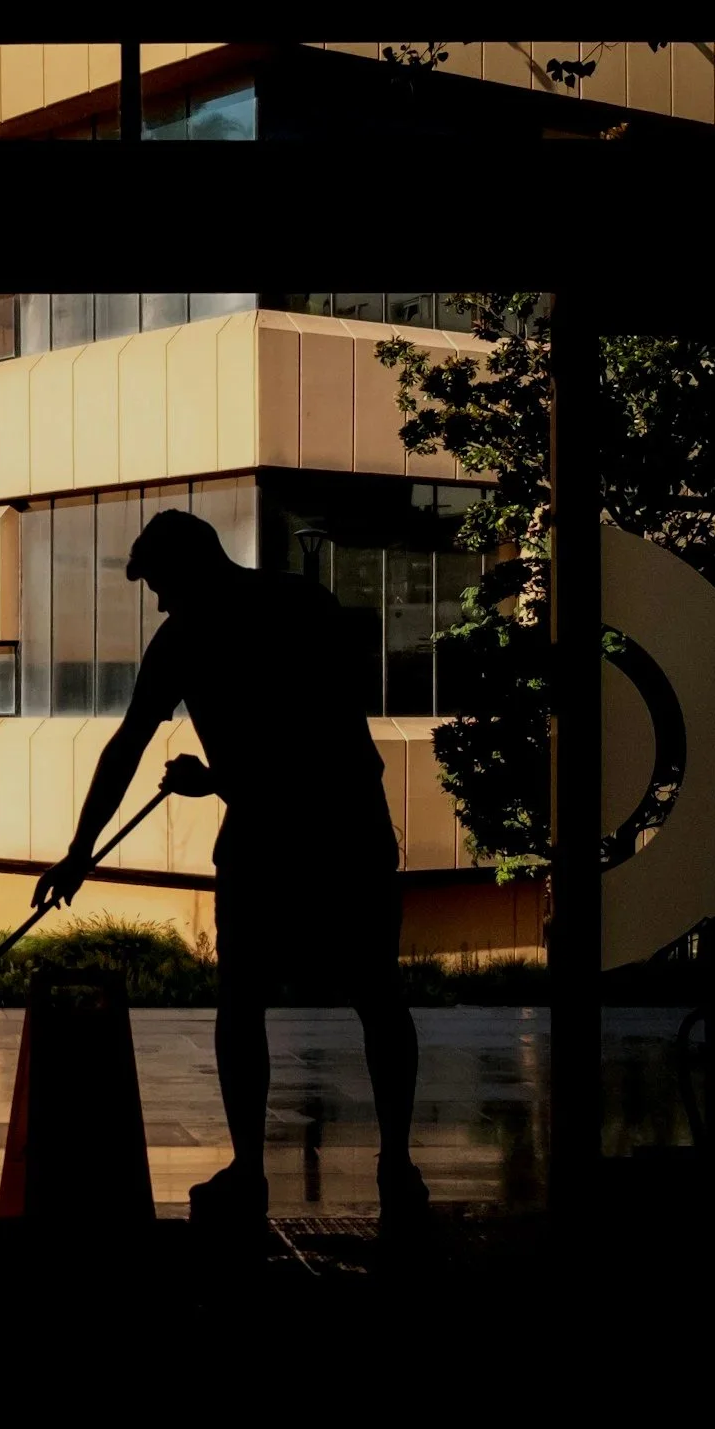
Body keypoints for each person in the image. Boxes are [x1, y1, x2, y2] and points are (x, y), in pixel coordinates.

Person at [32, 509, 429, 1224]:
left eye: (158, 583)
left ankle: (251, 1170)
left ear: (186, 567)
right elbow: (331, 726)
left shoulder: (184, 638)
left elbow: (131, 746)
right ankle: (395, 1163)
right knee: (376, 995)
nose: (156, 600)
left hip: (277, 836)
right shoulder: (302, 604)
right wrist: (87, 847)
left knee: (244, 1003)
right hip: (349, 828)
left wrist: (86, 848)